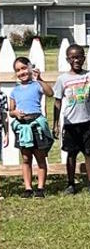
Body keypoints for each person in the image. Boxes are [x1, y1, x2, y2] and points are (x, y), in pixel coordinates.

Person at [53, 43, 90, 194]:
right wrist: (56, 123)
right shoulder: (62, 79)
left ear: (83, 58)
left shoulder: (88, 75)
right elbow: (57, 101)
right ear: (67, 59)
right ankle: (70, 184)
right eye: (72, 58)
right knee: (71, 154)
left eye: (78, 57)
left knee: (88, 152)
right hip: (70, 123)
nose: (76, 60)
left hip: (87, 122)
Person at [9, 57, 52, 197]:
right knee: (26, 158)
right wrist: (15, 113)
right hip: (23, 127)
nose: (21, 72)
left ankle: (40, 188)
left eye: (23, 68)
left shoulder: (36, 85)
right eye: (18, 70)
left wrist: (40, 78)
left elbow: (50, 93)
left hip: (36, 124)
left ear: (29, 67)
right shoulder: (15, 91)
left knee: (40, 157)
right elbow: (11, 110)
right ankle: (28, 188)